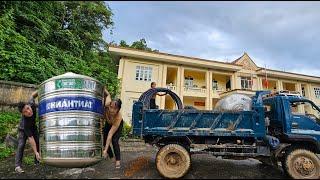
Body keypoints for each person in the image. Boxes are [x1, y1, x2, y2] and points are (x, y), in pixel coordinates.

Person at [15, 90, 40, 173]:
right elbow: (30, 138)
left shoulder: (31, 103)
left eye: (28, 108)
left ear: (28, 105)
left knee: (38, 141)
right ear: (23, 114)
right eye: (25, 112)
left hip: (33, 126)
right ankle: (17, 166)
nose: (28, 112)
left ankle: (37, 161)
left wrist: (41, 89)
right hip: (23, 129)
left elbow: (33, 95)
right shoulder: (25, 123)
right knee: (21, 145)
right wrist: (35, 151)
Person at [102, 88, 123, 169]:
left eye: (115, 109)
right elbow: (108, 95)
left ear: (118, 110)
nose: (111, 110)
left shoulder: (118, 117)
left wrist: (105, 149)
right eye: (111, 107)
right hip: (108, 122)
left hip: (116, 124)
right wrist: (103, 88)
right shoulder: (107, 104)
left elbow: (110, 134)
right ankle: (110, 156)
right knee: (104, 137)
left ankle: (118, 160)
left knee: (114, 140)